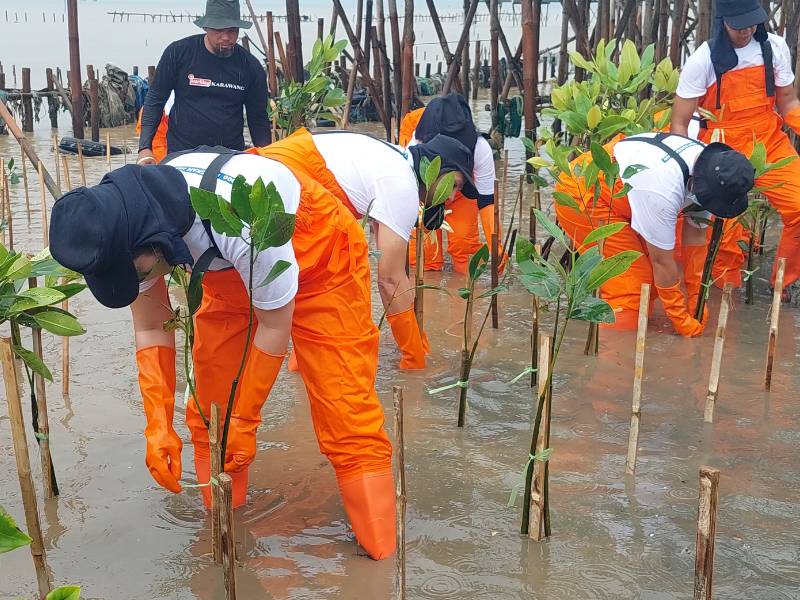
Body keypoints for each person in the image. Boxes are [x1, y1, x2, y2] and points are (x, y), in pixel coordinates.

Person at [49, 150, 399, 560]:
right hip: (227, 277)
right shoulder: (127, 224)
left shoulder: (237, 214)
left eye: (137, 274)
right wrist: (158, 425)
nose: (138, 281)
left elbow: (274, 326)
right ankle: (225, 541)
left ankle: (381, 565)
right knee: (209, 413)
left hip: (321, 259)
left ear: (154, 245)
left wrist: (246, 419)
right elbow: (150, 326)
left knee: (348, 420)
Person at [250, 128, 475, 370]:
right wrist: (415, 359)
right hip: (284, 180)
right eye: (454, 185)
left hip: (263, 168)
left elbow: (394, 269)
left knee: (319, 282)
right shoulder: (402, 186)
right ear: (434, 170)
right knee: (333, 286)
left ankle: (302, 365)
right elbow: (390, 279)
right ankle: (308, 365)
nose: (451, 197)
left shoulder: (396, 159)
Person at [554, 132, 754, 335]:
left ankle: (628, 324)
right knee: (632, 285)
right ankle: (614, 356)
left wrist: (696, 295)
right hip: (584, 194)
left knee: (652, 283)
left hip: (627, 198)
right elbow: (662, 262)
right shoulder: (662, 189)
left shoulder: (710, 168)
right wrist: (680, 318)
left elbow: (695, 237)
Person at [671, 0, 800, 296]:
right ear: (722, 21)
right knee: (723, 239)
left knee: (799, 207)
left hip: (769, 143)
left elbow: (789, 103)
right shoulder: (703, 59)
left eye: (751, 24)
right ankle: (724, 299)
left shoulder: (775, 48)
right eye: (737, 25)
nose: (746, 31)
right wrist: (687, 170)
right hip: (721, 154)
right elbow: (679, 123)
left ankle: (784, 285)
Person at [137, 0, 270, 166]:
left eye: (232, 31)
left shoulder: (251, 66)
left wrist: (266, 157)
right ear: (206, 27)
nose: (226, 37)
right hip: (181, 155)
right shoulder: (178, 53)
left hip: (230, 158)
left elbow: (258, 119)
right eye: (219, 30)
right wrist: (144, 148)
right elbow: (155, 100)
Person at [398, 93, 504, 274]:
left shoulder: (480, 148)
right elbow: (407, 194)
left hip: (463, 190)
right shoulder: (417, 142)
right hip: (426, 190)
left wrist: (496, 247)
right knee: (424, 258)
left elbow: (486, 200)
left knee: (465, 247)